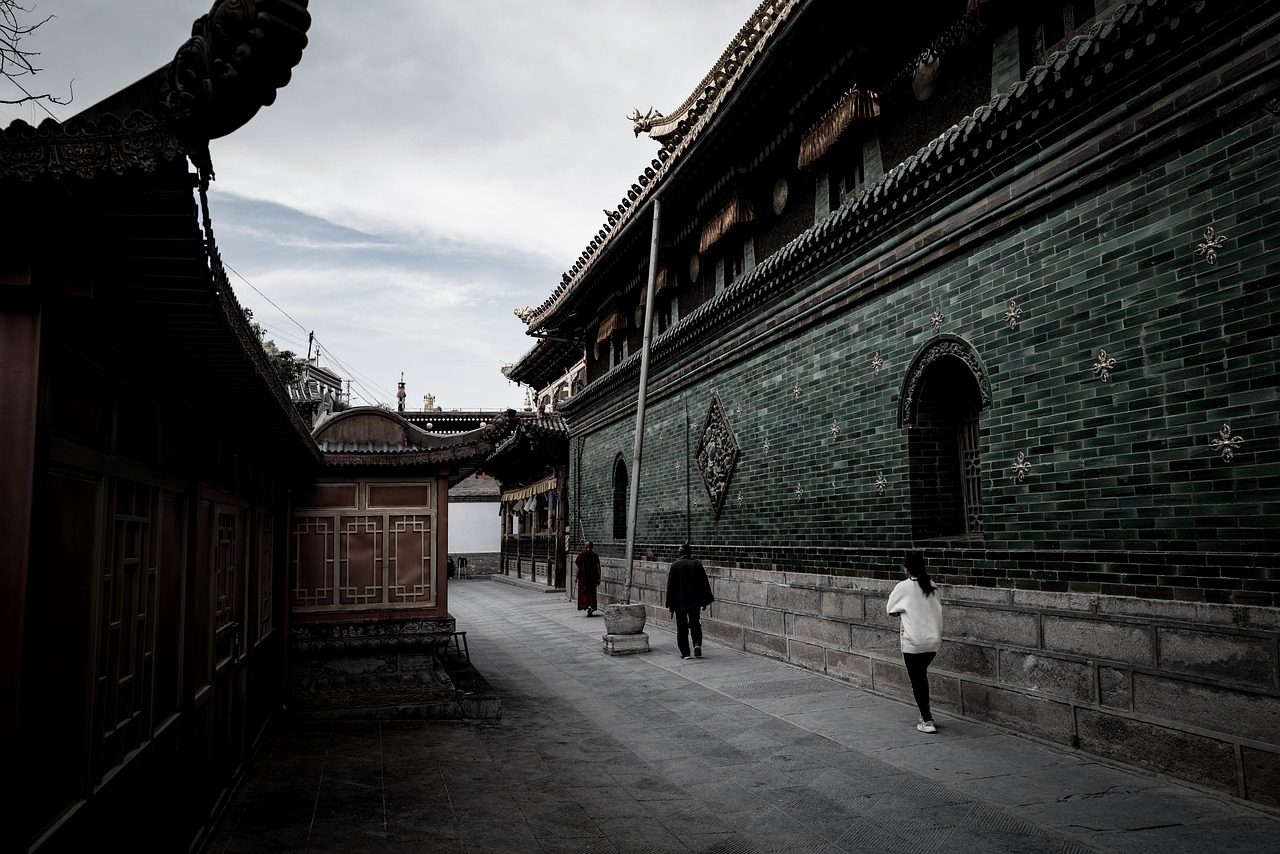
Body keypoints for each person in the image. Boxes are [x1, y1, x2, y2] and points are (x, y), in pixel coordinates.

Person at [887, 551, 944, 733]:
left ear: (907, 568)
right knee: (921, 676)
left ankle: (927, 720)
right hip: (933, 642)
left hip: (913, 642)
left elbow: (890, 609)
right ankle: (925, 716)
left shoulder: (903, 587)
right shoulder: (931, 585)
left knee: (917, 680)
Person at [665, 543, 714, 660]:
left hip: (679, 603)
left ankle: (686, 653)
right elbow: (704, 584)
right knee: (695, 624)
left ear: (680, 553)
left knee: (682, 627)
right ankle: (697, 644)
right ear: (690, 553)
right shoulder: (697, 564)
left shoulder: (675, 565)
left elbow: (671, 587)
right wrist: (704, 601)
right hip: (694, 602)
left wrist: (670, 606)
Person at [575, 541, 601, 617]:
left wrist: (576, 577)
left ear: (585, 546)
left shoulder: (580, 555)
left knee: (584, 593)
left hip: (583, 578)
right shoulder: (595, 556)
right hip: (593, 578)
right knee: (592, 593)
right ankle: (591, 606)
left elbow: (578, 568)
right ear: (592, 547)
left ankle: (588, 606)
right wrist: (599, 578)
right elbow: (598, 568)